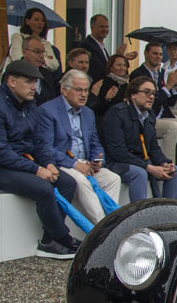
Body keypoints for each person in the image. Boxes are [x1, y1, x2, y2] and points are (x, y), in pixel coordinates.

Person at [0, 60, 79, 259]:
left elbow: (39, 142)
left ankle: (49, 241)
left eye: (35, 83)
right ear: (11, 81)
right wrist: (37, 170)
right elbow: (0, 153)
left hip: (20, 163)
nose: (34, 87)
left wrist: (48, 163)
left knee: (67, 183)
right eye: (29, 82)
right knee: (44, 188)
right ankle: (63, 237)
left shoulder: (29, 106)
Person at [37, 69, 121, 224]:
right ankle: (103, 226)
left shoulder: (88, 113)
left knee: (113, 178)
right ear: (64, 90)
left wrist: (97, 160)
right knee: (80, 181)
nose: (84, 94)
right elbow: (45, 148)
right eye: (79, 90)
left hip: (86, 163)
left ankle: (109, 223)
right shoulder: (47, 111)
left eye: (86, 90)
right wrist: (75, 164)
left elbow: (95, 142)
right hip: (62, 164)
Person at [101, 76, 177, 202]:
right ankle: (140, 217)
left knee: (174, 171)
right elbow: (118, 152)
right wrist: (148, 167)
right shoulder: (116, 113)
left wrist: (164, 163)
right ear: (133, 95)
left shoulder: (149, 115)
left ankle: (170, 212)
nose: (151, 97)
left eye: (154, 93)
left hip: (140, 161)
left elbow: (153, 147)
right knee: (139, 173)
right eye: (146, 92)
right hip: (117, 162)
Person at [129, 42, 177, 162]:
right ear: (146, 54)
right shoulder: (138, 74)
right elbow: (150, 104)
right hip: (148, 119)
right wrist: (168, 86)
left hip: (164, 115)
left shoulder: (161, 73)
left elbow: (171, 102)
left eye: (160, 54)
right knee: (173, 127)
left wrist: (175, 85)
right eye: (155, 53)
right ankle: (168, 164)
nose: (158, 57)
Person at [78, 14, 138, 83]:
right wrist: (118, 56)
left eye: (107, 27)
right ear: (92, 27)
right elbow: (99, 69)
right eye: (101, 26)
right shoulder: (87, 45)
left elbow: (106, 65)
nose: (105, 29)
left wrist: (122, 57)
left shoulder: (100, 46)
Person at [8, 8, 60, 74]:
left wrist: (38, 60)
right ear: (27, 21)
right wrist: (43, 59)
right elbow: (17, 58)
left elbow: (54, 65)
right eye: (36, 20)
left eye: (42, 20)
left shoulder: (46, 43)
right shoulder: (18, 37)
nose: (40, 23)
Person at [21, 36, 59, 106]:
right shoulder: (14, 74)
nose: (41, 56)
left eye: (43, 52)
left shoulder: (47, 75)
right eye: (37, 52)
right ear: (24, 52)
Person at [90, 54, 128, 121]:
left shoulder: (127, 85)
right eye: (118, 65)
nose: (122, 68)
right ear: (111, 67)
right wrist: (107, 99)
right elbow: (97, 109)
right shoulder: (102, 83)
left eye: (124, 65)